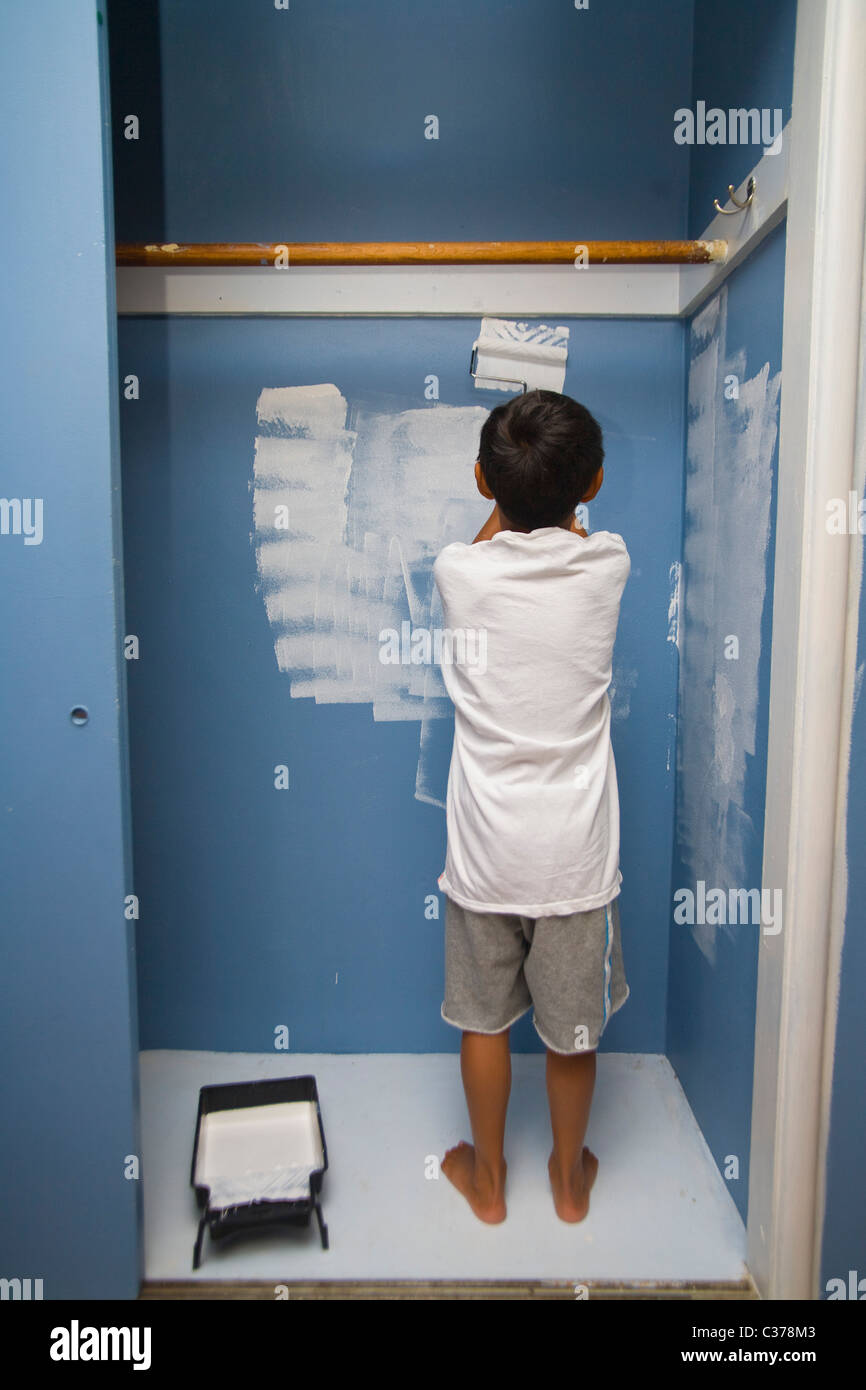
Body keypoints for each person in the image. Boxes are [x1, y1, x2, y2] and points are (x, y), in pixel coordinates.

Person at [433, 388, 631, 1223]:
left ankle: (485, 1183)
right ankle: (569, 1182)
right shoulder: (608, 565)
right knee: (571, 1037)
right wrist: (560, 489)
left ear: (483, 481)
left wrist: (500, 496)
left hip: (485, 858)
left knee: (484, 1024)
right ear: (591, 486)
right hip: (576, 863)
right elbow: (573, 525)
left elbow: (488, 541)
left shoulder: (457, 573)